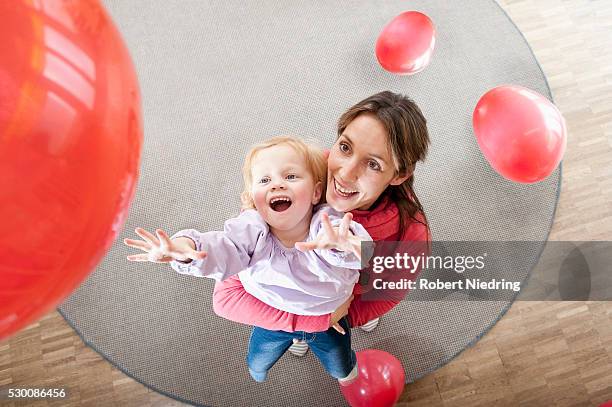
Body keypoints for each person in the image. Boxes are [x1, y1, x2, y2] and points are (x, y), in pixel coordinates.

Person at [123, 136, 372, 384]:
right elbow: (224, 246)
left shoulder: (326, 225)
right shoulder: (252, 230)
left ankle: (346, 375)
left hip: (331, 318)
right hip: (274, 317)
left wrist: (346, 244)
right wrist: (185, 248)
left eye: (291, 176)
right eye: (265, 180)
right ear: (253, 198)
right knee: (257, 361)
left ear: (316, 192)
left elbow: (355, 245)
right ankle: (262, 371)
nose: (276, 185)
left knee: (340, 363)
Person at [212, 91, 432, 357]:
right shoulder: (299, 180)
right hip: (298, 304)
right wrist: (309, 321)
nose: (344, 173)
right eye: (345, 147)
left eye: (373, 164)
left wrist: (348, 314)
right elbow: (227, 296)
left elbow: (387, 295)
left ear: (399, 175)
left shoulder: (412, 235)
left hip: (348, 299)